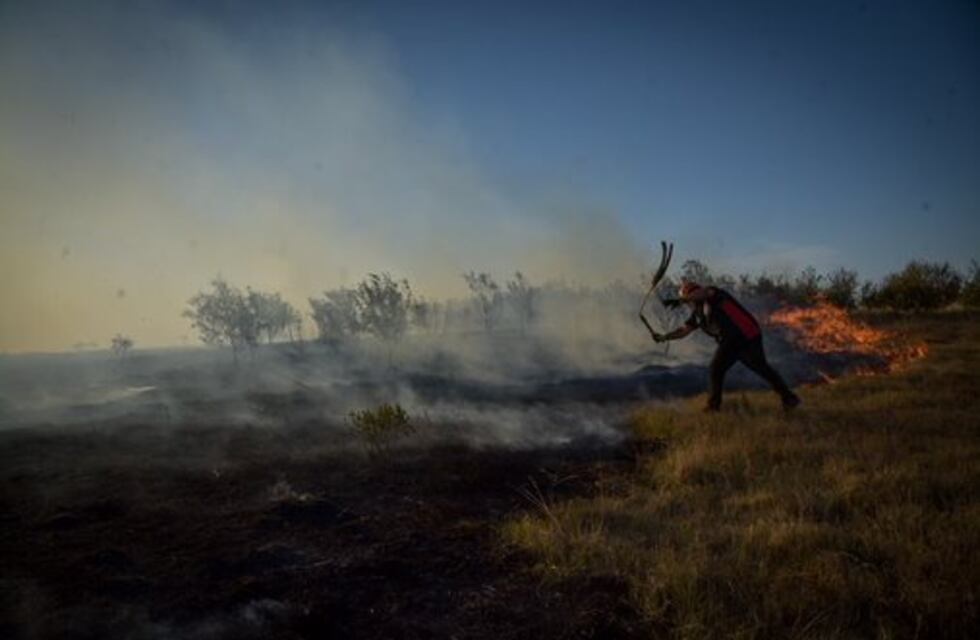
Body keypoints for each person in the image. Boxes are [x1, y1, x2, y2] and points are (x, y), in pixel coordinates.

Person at [652, 281, 801, 412]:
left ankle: (713, 406)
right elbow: (684, 331)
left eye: (688, 298)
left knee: (718, 368)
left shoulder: (714, 294)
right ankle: (789, 398)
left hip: (745, 334)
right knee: (759, 368)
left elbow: (703, 292)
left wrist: (680, 299)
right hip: (736, 339)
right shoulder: (697, 314)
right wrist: (665, 337)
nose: (687, 303)